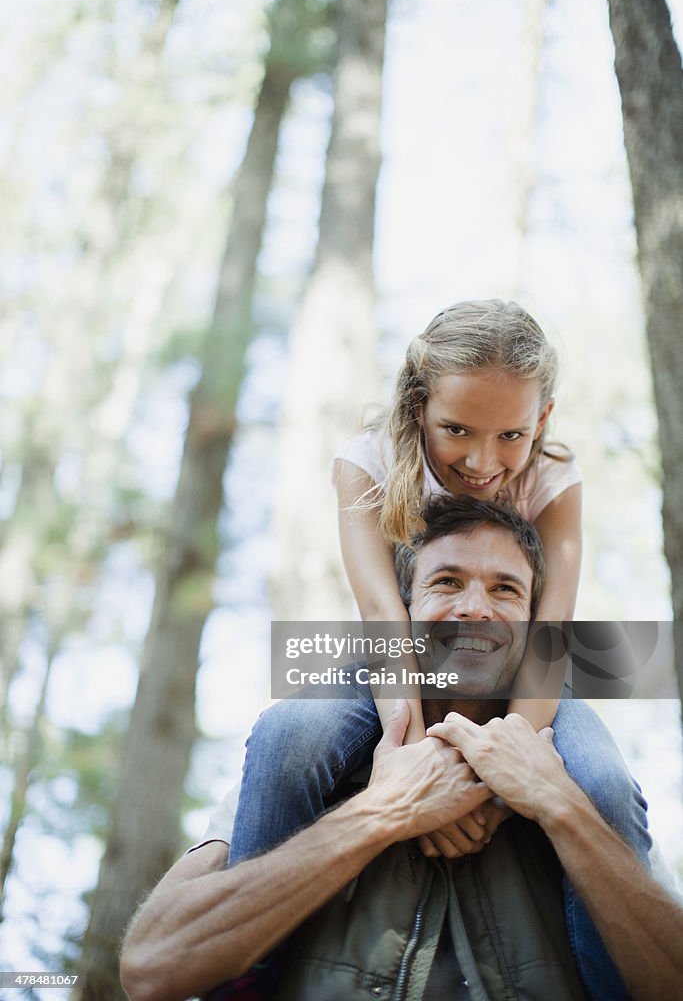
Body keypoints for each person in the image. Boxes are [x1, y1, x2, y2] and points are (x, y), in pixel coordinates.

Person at [227, 301, 650, 999]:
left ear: (541, 420)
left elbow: (552, 628)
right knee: (289, 736)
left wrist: (509, 761)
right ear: (418, 404)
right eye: (456, 430)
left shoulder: (552, 477)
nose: (483, 461)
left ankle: (613, 983)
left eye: (510, 434)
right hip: (391, 662)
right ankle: (248, 969)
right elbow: (378, 611)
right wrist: (412, 761)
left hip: (521, 669)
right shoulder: (367, 462)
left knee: (599, 784)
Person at [120, 498, 683, 1001]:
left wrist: (561, 808)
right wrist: (379, 812)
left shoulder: (578, 780)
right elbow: (152, 969)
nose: (475, 608)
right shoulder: (314, 765)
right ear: (403, 613)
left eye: (505, 589)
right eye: (446, 582)